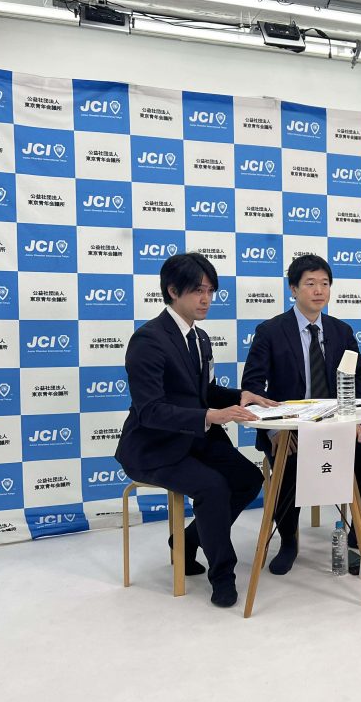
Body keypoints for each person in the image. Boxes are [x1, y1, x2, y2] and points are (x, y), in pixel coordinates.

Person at [115, 252, 276, 608]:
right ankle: (223, 576)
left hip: (195, 439)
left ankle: (187, 541)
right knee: (213, 487)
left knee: (248, 479)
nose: (206, 299)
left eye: (210, 291)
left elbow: (204, 392)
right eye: (197, 291)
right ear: (173, 291)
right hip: (155, 446)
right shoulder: (147, 340)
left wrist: (241, 396)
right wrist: (211, 416)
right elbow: (150, 410)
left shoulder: (199, 338)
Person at [241, 254, 361, 576]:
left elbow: (358, 378)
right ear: (293, 289)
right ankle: (288, 541)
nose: (319, 290)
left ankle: (360, 531)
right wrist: (276, 431)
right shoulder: (270, 331)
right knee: (288, 469)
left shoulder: (341, 331)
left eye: (324, 283)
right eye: (310, 283)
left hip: (337, 426)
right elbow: (253, 387)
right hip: (290, 430)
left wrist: (354, 420)